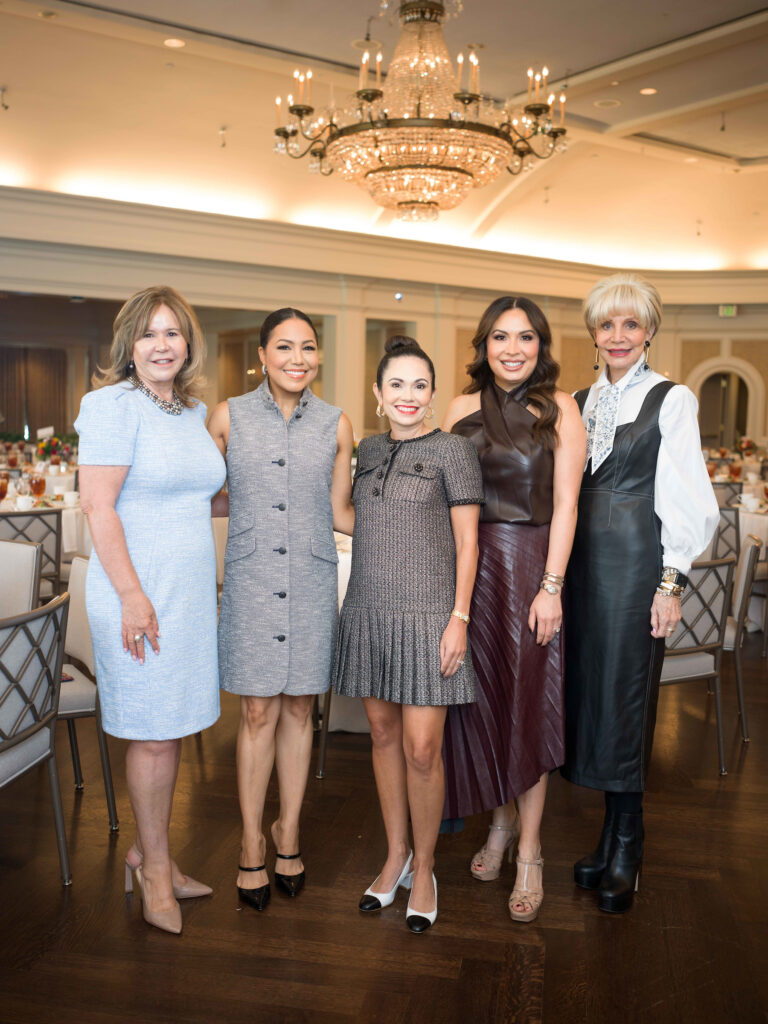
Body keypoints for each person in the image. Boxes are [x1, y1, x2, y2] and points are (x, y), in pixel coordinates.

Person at [562, 273, 719, 913]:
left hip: (635, 570)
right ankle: (605, 839)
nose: (618, 335)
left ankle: (629, 844)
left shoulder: (671, 399)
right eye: (607, 325)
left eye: (631, 324)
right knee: (590, 699)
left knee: (626, 701)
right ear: (594, 335)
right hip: (578, 572)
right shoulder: (576, 399)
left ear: (649, 331)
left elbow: (690, 499)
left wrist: (670, 581)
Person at [76, 285, 226, 935]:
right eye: (148, 334)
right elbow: (97, 506)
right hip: (136, 590)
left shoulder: (192, 413)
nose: (161, 345)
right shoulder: (109, 405)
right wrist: (134, 598)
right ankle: (155, 870)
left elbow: (202, 498)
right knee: (155, 732)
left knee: (174, 725)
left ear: (187, 344)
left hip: (187, 591)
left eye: (172, 333)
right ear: (128, 346)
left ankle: (151, 850)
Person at [441, 297, 586, 922]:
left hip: (531, 571)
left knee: (527, 706)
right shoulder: (458, 410)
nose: (512, 349)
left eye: (525, 338)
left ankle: (529, 851)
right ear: (484, 345)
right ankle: (497, 826)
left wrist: (551, 586)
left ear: (540, 346)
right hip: (472, 573)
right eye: (500, 337)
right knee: (481, 708)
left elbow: (568, 505)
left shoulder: (561, 410)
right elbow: (438, 503)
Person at [333, 336, 483, 934]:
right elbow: (348, 516)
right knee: (381, 735)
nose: (409, 396)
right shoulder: (367, 450)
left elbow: (469, 543)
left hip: (430, 616)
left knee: (423, 749)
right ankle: (394, 857)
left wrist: (460, 618)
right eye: (396, 384)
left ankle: (424, 869)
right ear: (378, 393)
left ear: (432, 393)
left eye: (420, 385)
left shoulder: (454, 451)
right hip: (369, 607)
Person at [208, 308, 354, 912]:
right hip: (250, 580)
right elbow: (201, 494)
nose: (299, 358)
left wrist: (412, 532)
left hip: (313, 579)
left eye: (309, 348)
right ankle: (250, 838)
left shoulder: (336, 424)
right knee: (257, 713)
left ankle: (288, 831)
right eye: (285, 347)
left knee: (301, 709)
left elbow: (343, 512)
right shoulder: (228, 416)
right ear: (262, 355)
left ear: (318, 357)